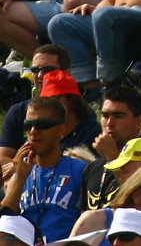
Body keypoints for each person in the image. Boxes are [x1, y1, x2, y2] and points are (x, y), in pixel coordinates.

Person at [2, 95, 88, 239]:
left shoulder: (80, 170)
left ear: (60, 130)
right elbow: (5, 221)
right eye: (28, 125)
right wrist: (20, 178)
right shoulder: (20, 174)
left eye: (42, 125)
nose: (33, 131)